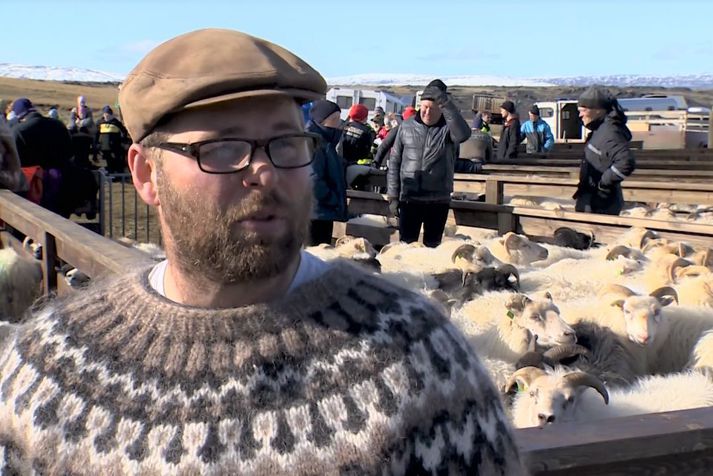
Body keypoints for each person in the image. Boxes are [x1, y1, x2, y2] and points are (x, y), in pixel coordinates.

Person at [0, 29, 524, 475]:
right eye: (223, 148)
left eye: (286, 144)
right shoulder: (52, 372)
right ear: (145, 174)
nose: (265, 172)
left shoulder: (419, 360)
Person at [387, 79, 472, 247]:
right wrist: (392, 196)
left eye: (432, 109)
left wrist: (446, 103)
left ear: (441, 109)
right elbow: (395, 162)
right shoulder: (406, 126)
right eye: (424, 107)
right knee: (405, 246)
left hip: (437, 200)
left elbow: (463, 135)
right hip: (409, 198)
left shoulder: (448, 129)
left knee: (432, 247)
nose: (427, 112)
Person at [573, 86, 636, 215]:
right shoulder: (600, 130)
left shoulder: (609, 132)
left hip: (601, 203)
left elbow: (625, 162)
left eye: (584, 110)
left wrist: (603, 185)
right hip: (592, 199)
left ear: (598, 110)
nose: (580, 115)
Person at [305, 99, 348, 245]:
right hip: (315, 212)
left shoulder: (326, 141)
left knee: (322, 251)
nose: (338, 123)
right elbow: (312, 177)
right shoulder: (313, 142)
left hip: (322, 212)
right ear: (322, 121)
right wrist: (332, 198)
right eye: (334, 119)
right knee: (315, 252)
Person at [96, 104, 129, 173]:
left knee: (116, 161)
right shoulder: (100, 123)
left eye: (108, 114)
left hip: (115, 146)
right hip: (104, 147)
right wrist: (97, 143)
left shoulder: (116, 123)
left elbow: (124, 132)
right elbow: (97, 134)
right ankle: (110, 172)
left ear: (111, 115)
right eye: (105, 114)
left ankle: (117, 173)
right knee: (108, 161)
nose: (106, 116)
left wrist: (124, 141)